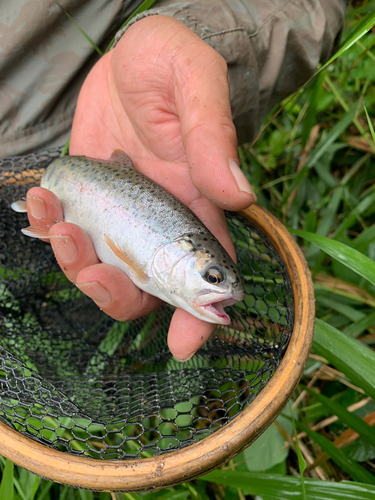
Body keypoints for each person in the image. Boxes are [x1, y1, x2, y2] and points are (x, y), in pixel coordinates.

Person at [1, 0, 347, 361]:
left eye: (211, 277)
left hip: (62, 137)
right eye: (213, 277)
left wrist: (198, 30)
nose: (225, 291)